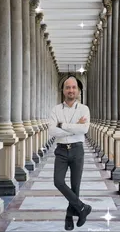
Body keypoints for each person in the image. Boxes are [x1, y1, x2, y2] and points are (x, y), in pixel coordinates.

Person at [49, 76, 92, 231]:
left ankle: (69, 217)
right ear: (63, 90)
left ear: (78, 90)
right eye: (68, 87)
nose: (71, 90)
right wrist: (74, 126)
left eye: (74, 87)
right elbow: (53, 131)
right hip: (61, 150)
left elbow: (84, 129)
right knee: (58, 181)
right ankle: (82, 208)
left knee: (75, 186)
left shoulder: (84, 109)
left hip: (77, 149)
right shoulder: (56, 109)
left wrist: (63, 125)